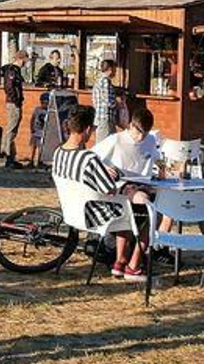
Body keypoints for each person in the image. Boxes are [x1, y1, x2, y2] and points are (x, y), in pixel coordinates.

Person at [53, 105, 146, 281]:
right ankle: (132, 265)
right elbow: (110, 190)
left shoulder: (58, 153)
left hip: (72, 211)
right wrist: (129, 186)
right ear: (88, 129)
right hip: (93, 214)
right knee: (142, 212)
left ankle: (120, 261)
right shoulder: (88, 158)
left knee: (126, 207)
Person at [92, 105, 161, 176]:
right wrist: (105, 168)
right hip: (120, 180)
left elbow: (158, 159)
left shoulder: (151, 140)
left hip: (142, 181)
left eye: (145, 134)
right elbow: (91, 155)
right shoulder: (116, 139)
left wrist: (162, 167)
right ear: (131, 125)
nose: (140, 137)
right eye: (138, 132)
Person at [0, 50, 27, 169]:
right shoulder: (12, 70)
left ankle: (10, 156)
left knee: (12, 130)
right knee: (11, 130)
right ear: (21, 59)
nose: (26, 63)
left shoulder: (16, 70)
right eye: (25, 60)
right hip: (13, 104)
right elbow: (9, 87)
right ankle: (9, 157)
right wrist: (15, 100)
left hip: (14, 103)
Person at [91, 59, 118, 141]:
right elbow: (108, 101)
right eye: (114, 69)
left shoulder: (99, 81)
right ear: (110, 69)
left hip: (102, 118)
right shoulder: (105, 81)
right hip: (105, 118)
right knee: (103, 144)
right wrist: (118, 102)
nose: (116, 71)